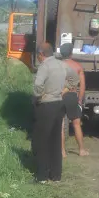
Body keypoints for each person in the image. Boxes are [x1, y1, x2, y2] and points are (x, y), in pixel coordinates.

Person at [32, 41, 66, 183]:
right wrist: (64, 90)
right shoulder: (61, 64)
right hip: (59, 104)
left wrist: (39, 96)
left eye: (38, 55)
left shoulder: (44, 66)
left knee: (42, 141)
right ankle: (56, 175)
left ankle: (42, 176)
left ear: (41, 54)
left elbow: (38, 84)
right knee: (55, 140)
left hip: (46, 106)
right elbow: (73, 78)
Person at [59, 43, 89, 158]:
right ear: (71, 53)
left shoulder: (57, 66)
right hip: (72, 96)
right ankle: (81, 150)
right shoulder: (77, 66)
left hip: (60, 96)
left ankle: (62, 152)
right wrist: (79, 100)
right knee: (76, 124)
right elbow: (82, 86)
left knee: (60, 125)